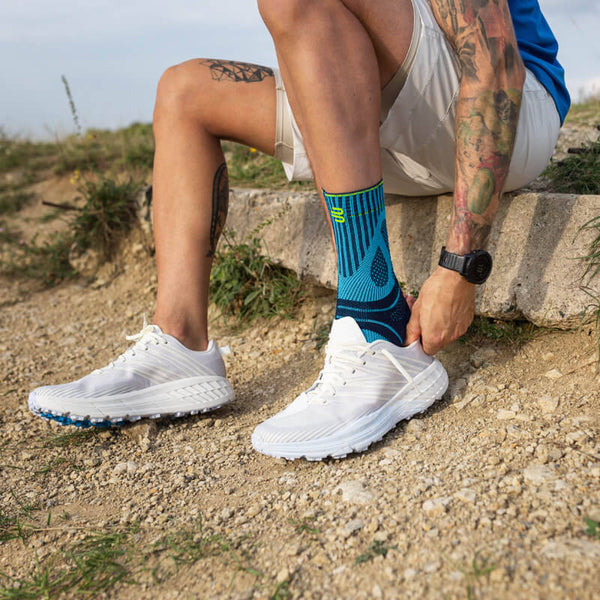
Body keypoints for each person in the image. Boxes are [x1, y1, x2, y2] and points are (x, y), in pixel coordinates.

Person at [29, 0, 569, 459]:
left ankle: (374, 313)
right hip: (401, 123)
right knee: (183, 92)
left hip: (513, 113)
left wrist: (460, 267)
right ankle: (179, 341)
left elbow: (496, 63)